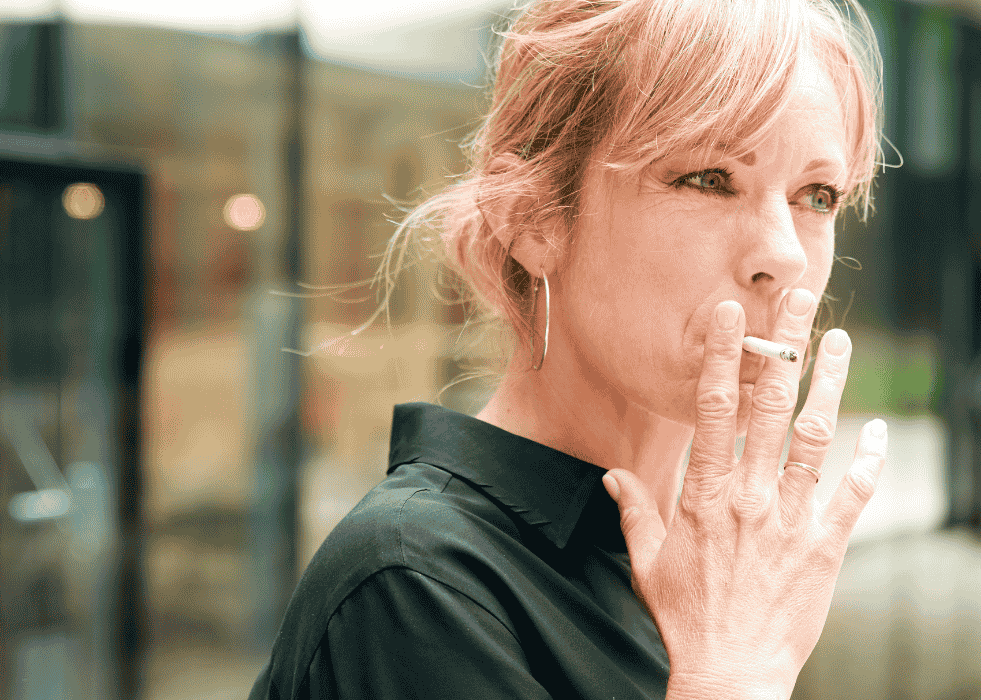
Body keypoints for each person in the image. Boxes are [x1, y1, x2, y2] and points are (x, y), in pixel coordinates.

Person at [248, 0, 887, 698]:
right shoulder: (414, 586)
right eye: (709, 178)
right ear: (533, 219)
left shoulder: (719, 570)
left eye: (817, 195)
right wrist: (729, 676)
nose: (785, 255)